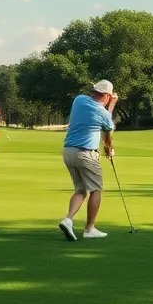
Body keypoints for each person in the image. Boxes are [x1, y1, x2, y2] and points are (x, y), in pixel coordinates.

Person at [58, 79, 117, 241]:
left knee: (81, 189)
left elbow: (100, 114)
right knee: (96, 190)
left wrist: (108, 104)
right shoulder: (104, 113)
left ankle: (68, 219)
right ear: (106, 95)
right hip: (86, 154)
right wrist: (109, 149)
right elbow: (108, 130)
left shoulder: (79, 100)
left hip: (68, 152)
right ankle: (89, 229)